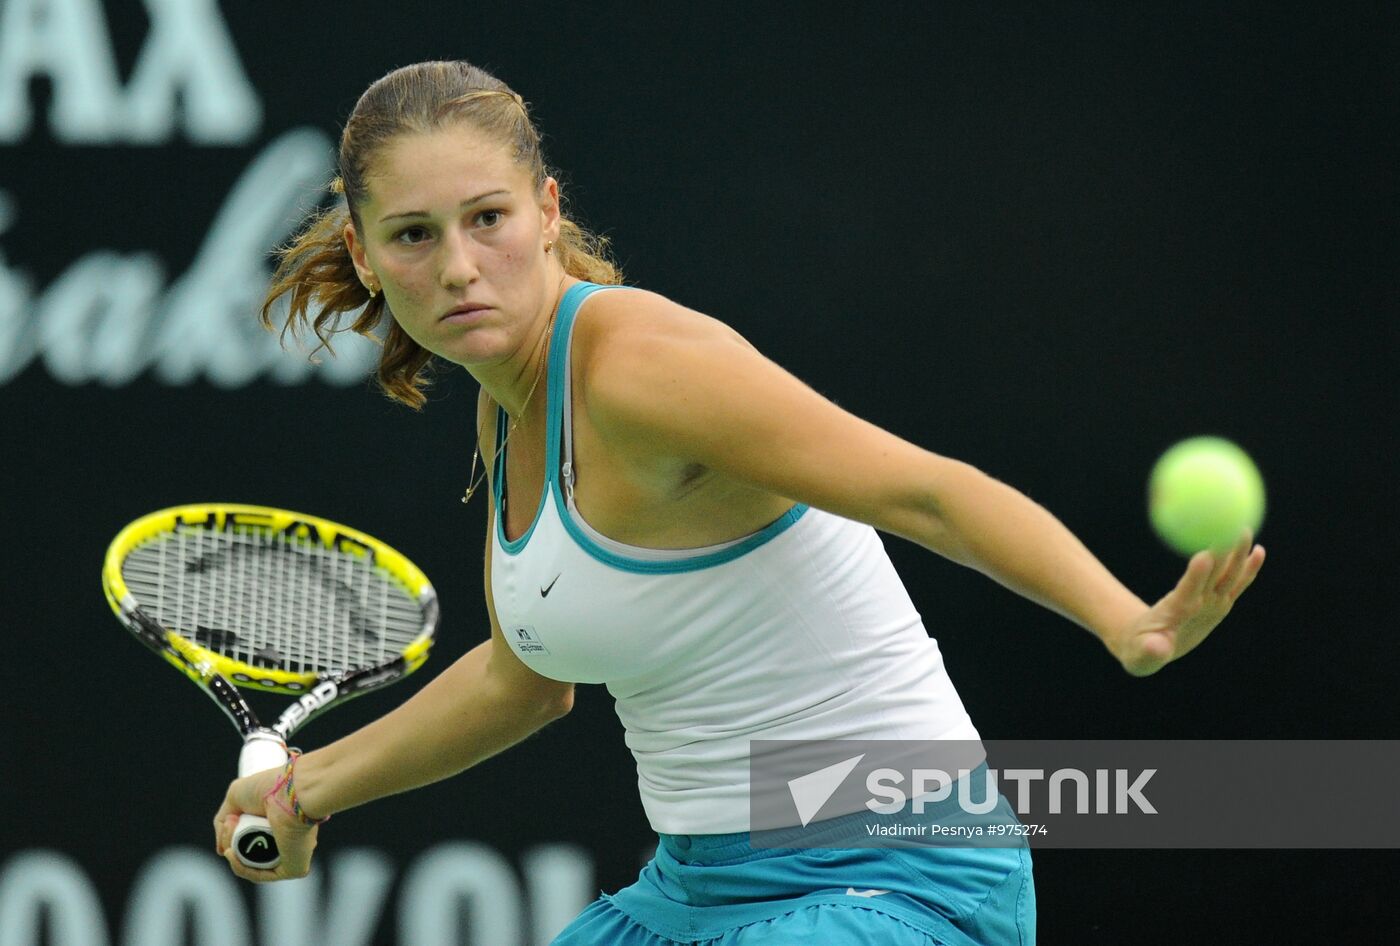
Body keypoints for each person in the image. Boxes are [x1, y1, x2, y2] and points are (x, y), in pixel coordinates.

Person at [215, 60, 1266, 945]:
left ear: (543, 212)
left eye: (486, 218)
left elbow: (926, 493)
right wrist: (306, 790)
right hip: (698, 888)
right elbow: (522, 682)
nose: (457, 266)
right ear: (362, 251)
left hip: (903, 882)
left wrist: (1121, 619)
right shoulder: (509, 407)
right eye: (411, 235)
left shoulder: (641, 371)